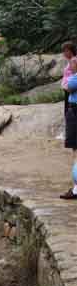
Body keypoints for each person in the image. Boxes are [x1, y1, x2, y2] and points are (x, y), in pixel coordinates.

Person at [60, 57, 77, 200]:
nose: (70, 65)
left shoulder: (74, 77)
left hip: (75, 110)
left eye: (72, 63)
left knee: (76, 149)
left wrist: (66, 84)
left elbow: (67, 87)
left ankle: (76, 188)